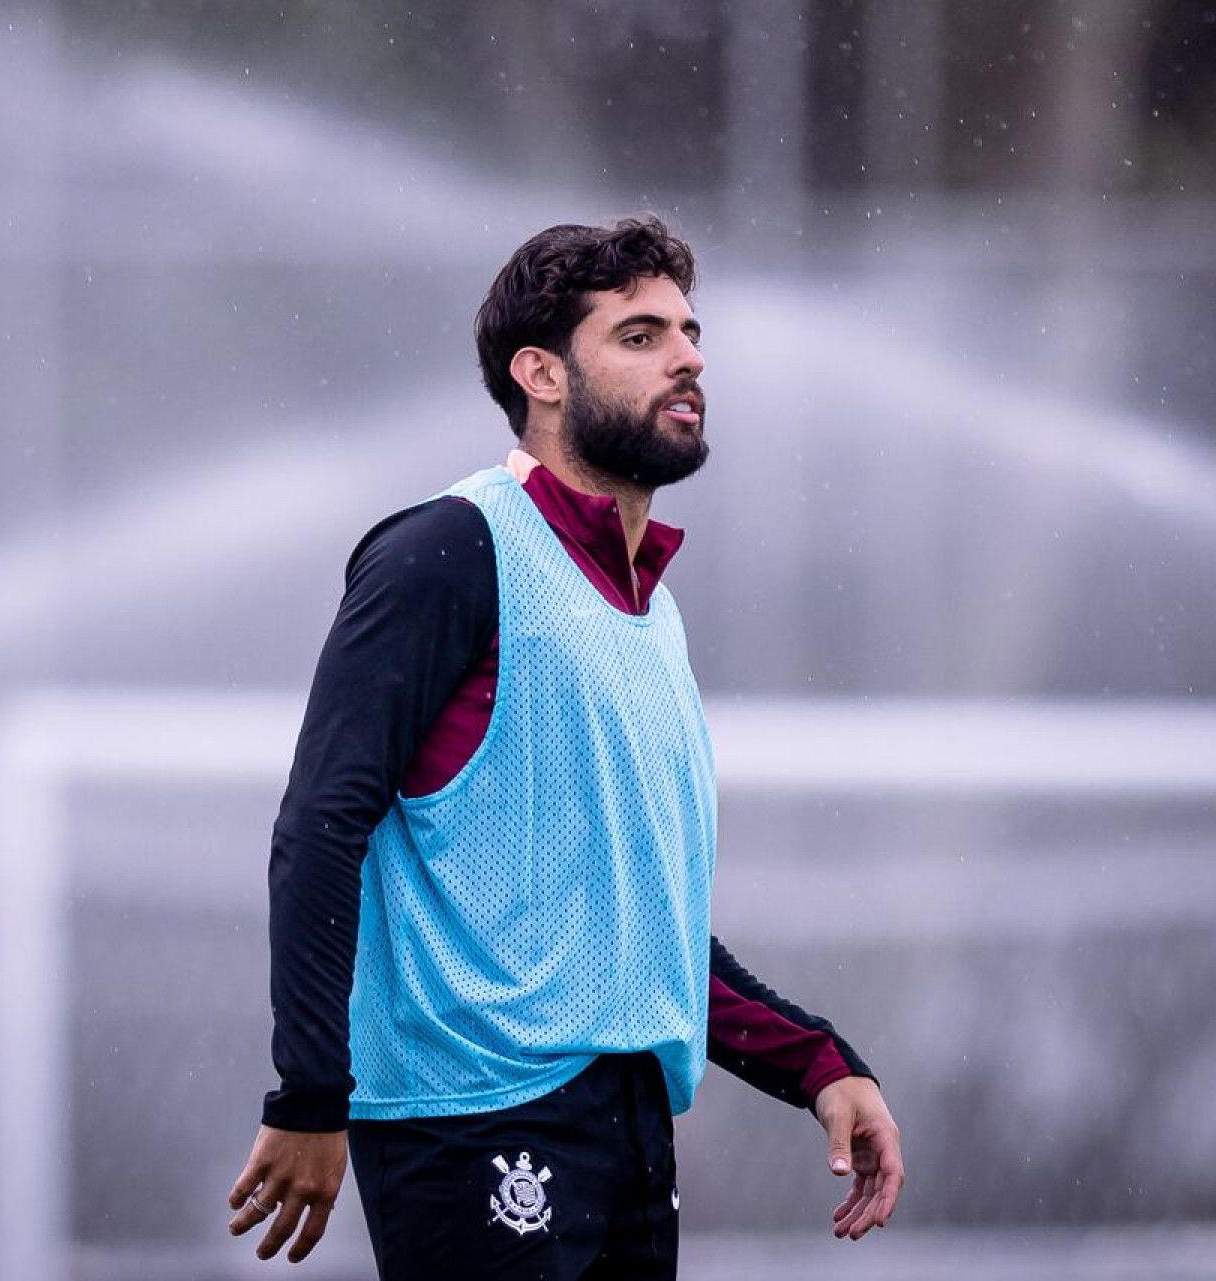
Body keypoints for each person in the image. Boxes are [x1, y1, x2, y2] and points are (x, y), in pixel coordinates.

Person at [228, 216, 904, 1276]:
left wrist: (820, 1065)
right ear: (540, 375)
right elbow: (319, 826)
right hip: (473, 1122)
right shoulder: (450, 550)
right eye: (640, 336)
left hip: (631, 1125)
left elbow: (640, 936)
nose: (688, 357)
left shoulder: (652, 614)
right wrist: (311, 1093)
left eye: (689, 331)